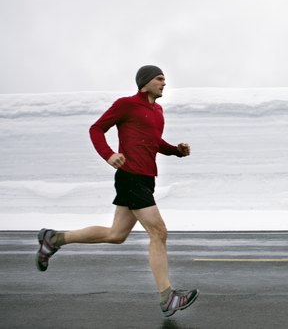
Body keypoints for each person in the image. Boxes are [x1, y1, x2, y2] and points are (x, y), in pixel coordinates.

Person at [36, 65, 199, 317]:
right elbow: (96, 128)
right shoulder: (126, 104)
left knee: (116, 234)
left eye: (164, 79)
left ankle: (54, 239)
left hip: (146, 179)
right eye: (159, 79)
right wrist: (108, 154)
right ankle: (167, 297)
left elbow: (154, 142)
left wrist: (176, 150)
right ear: (145, 83)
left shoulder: (158, 111)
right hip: (130, 177)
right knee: (158, 232)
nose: (164, 83)